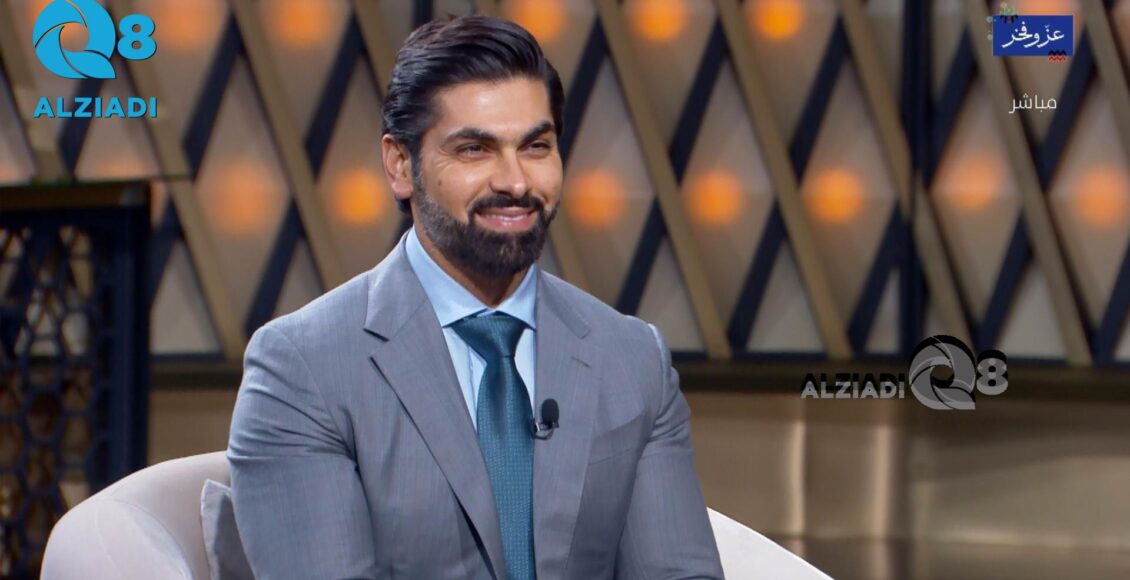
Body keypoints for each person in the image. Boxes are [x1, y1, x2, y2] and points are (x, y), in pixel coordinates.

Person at [227, 14, 723, 580]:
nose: (515, 181)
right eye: (474, 150)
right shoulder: (304, 368)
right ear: (401, 165)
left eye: (536, 146)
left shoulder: (632, 358)